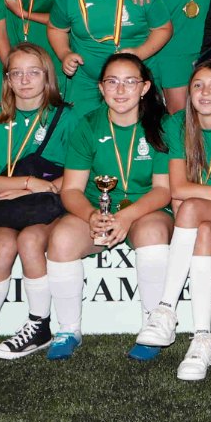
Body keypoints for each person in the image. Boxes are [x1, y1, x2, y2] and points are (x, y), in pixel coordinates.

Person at [134, 60, 211, 380]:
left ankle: (165, 309)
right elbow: (178, 187)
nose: (205, 92)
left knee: (191, 208)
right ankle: (202, 339)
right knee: (201, 226)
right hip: (206, 213)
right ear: (188, 92)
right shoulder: (178, 123)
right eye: (198, 86)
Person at [44, 51, 173, 360]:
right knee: (61, 238)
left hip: (145, 209)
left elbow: (164, 190)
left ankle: (152, 326)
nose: (120, 90)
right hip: (96, 209)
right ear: (100, 88)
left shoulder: (162, 125)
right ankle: (68, 329)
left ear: (144, 88)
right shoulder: (88, 125)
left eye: (130, 82)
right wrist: (91, 215)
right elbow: (72, 190)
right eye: (112, 82)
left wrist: (126, 217)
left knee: (154, 231)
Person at [0, 43, 67, 363]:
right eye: (16, 73)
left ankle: (39, 325)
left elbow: (77, 175)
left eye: (33, 72)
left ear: (47, 76)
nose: (24, 80)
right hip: (9, 203)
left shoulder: (66, 116)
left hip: (49, 204)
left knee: (31, 239)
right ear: (6, 80)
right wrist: (27, 183)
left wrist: (38, 189)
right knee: (3, 246)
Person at [48, 0, 173, 134]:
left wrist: (139, 53)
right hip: (87, 82)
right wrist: (65, 53)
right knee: (84, 134)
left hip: (136, 81)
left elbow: (163, 28)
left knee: (143, 135)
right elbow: (56, 28)